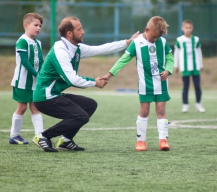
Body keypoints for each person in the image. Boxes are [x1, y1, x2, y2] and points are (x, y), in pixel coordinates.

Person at [32, 16, 139, 152]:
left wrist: (127, 42)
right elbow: (72, 79)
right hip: (45, 98)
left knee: (90, 105)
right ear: (69, 33)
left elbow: (101, 49)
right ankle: (43, 136)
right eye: (79, 29)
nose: (83, 32)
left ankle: (66, 140)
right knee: (80, 116)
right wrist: (95, 82)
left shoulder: (76, 48)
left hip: (53, 95)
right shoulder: (60, 50)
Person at [101, 16, 174, 152]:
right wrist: (109, 74)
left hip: (162, 85)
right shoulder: (136, 43)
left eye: (157, 37)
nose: (155, 39)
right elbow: (123, 60)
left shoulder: (163, 42)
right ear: (147, 30)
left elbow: (170, 58)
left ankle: (163, 140)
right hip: (145, 85)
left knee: (161, 111)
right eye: (153, 36)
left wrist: (168, 70)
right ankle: (141, 141)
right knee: (144, 111)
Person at [9, 13, 44, 145]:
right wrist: (37, 74)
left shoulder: (38, 43)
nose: (38, 28)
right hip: (22, 81)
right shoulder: (22, 41)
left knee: (36, 107)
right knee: (22, 107)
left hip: (35, 82)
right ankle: (14, 136)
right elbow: (25, 62)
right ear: (26, 25)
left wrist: (43, 73)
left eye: (40, 26)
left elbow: (41, 61)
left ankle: (39, 136)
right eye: (36, 25)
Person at [173, 19, 205, 113]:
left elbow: (199, 52)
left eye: (190, 28)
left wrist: (201, 64)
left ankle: (199, 105)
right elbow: (177, 53)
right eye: (186, 28)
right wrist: (176, 65)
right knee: (185, 86)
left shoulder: (196, 39)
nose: (188, 29)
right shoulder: (179, 40)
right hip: (185, 67)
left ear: (192, 28)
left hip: (195, 67)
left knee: (197, 86)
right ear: (182, 28)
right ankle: (185, 105)